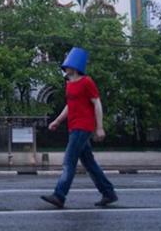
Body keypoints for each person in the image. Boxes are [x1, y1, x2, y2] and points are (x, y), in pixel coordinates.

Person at [41, 47, 118, 209]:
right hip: (73, 126)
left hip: (83, 127)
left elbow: (97, 103)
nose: (64, 67)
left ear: (75, 66)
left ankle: (59, 196)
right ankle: (109, 193)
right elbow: (69, 106)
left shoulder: (87, 82)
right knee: (90, 164)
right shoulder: (69, 84)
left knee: (69, 162)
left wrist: (100, 127)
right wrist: (57, 121)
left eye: (67, 64)